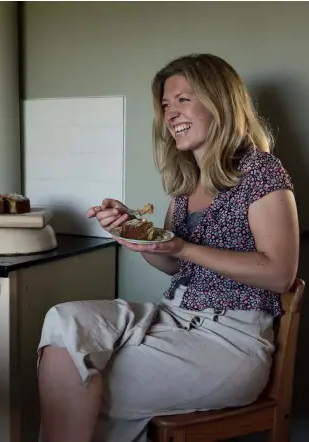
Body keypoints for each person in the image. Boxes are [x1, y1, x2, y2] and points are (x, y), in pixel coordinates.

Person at [37, 53, 299, 442]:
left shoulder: (261, 170)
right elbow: (174, 267)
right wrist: (136, 231)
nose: (171, 113)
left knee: (76, 380)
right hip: (173, 318)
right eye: (165, 104)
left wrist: (181, 247)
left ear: (220, 101)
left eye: (183, 100)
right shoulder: (186, 178)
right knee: (63, 325)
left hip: (232, 341)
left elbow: (279, 273)